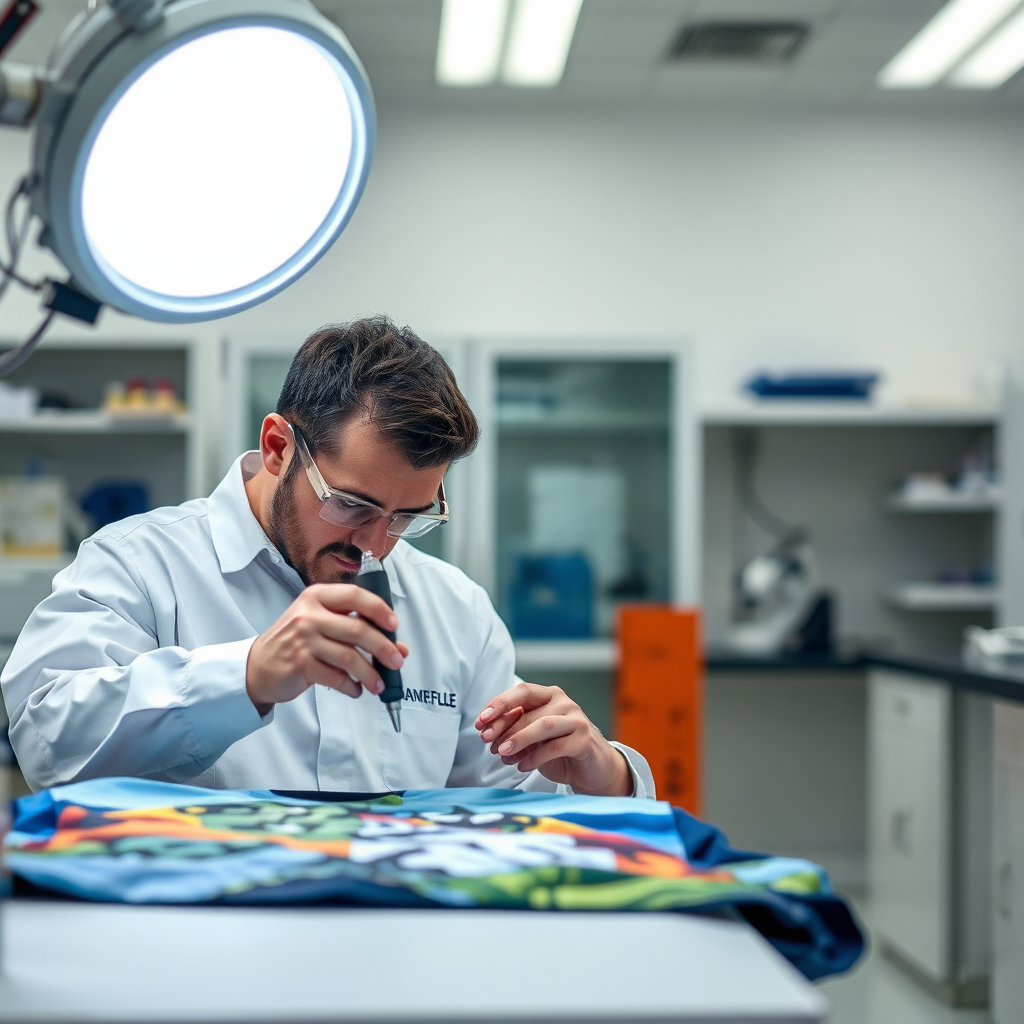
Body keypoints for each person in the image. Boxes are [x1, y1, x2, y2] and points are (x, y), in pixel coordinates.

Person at [2, 318, 654, 798]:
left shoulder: (453, 607)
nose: (375, 545)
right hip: (197, 933)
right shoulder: (140, 564)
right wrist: (245, 676)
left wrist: (604, 776)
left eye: (407, 517)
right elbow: (46, 741)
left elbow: (502, 801)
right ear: (278, 447)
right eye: (352, 504)